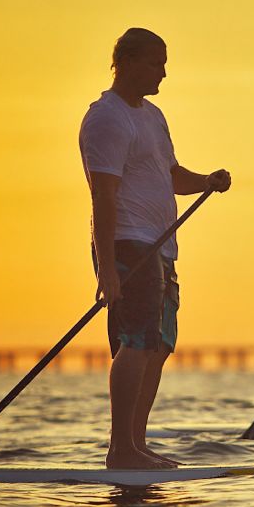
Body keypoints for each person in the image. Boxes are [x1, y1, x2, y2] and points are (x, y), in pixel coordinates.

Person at [79, 27, 231, 469]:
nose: (163, 72)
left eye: (165, 63)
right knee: (137, 341)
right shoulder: (106, 118)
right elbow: (102, 195)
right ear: (124, 62)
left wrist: (207, 182)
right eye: (154, 63)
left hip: (162, 248)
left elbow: (171, 175)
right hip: (128, 244)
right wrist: (107, 267)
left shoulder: (154, 116)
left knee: (160, 345)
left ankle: (136, 445)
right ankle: (120, 448)